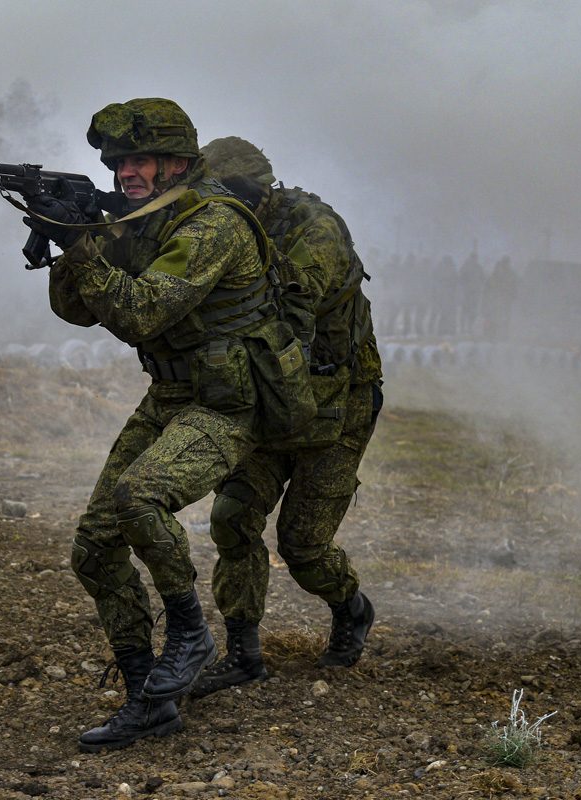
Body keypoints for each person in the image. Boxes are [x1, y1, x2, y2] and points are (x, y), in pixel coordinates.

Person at [27, 99, 311, 752]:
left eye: (140, 159)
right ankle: (146, 700)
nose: (126, 171)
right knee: (94, 548)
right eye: (119, 161)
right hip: (174, 395)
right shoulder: (146, 220)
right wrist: (71, 239)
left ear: (178, 161)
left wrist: (84, 245)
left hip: (232, 404)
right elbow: (77, 310)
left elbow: (140, 314)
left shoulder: (213, 224)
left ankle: (189, 632)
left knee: (139, 496)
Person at [192, 136, 382, 697]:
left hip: (339, 403)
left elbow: (290, 305)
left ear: (253, 191)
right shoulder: (227, 226)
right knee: (233, 518)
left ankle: (351, 608)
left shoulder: (313, 229)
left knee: (302, 545)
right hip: (272, 399)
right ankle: (244, 653)